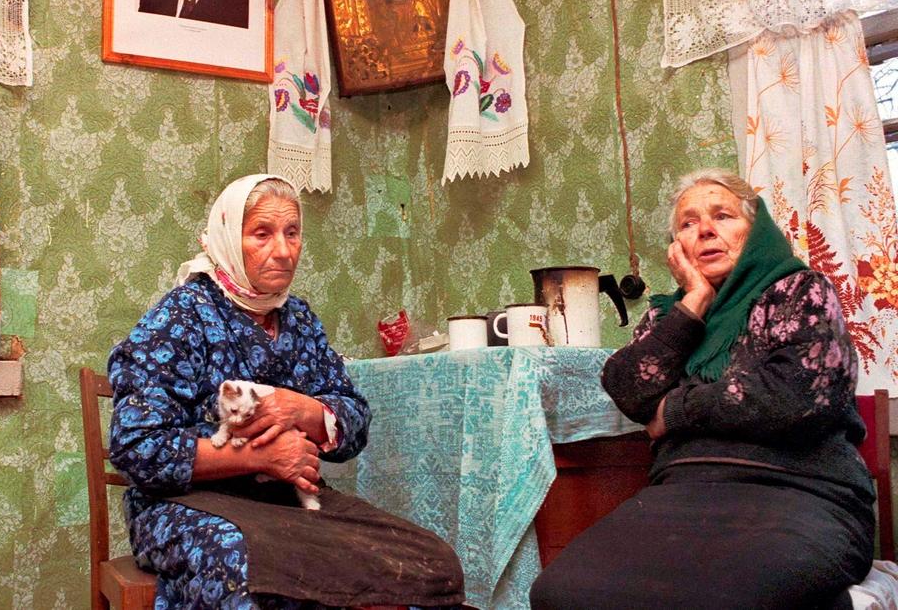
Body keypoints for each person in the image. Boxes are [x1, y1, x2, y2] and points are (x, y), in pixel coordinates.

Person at [108, 174, 465, 609]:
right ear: (226, 238)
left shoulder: (298, 320)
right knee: (249, 567)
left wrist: (305, 409)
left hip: (288, 505)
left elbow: (353, 419)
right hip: (185, 506)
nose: (282, 250)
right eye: (262, 233)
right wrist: (261, 457)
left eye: (291, 233)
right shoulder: (182, 316)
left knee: (433, 565)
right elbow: (136, 447)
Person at [530, 168, 876, 610]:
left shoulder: (798, 291)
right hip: (682, 494)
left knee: (719, 599)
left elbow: (795, 397)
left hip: (804, 492)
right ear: (678, 250)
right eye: (688, 223)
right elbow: (627, 387)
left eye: (723, 216)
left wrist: (674, 410)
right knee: (560, 594)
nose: (706, 230)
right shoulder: (668, 317)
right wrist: (692, 304)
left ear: (757, 232)